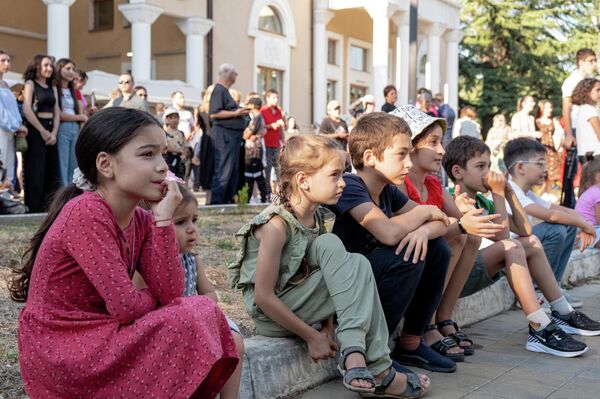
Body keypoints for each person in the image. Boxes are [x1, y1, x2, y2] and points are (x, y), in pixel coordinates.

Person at [10, 107, 239, 398]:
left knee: (200, 312)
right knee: (194, 313)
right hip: (62, 346)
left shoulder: (142, 220)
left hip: (98, 335)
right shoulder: (86, 213)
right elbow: (126, 307)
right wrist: (151, 298)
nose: (162, 168)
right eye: (147, 155)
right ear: (106, 165)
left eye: (163, 156)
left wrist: (164, 220)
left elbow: (171, 293)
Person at [229, 134, 430, 398]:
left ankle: (356, 354)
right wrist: (311, 337)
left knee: (351, 258)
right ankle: (377, 367)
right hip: (273, 316)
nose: (343, 183)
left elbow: (331, 280)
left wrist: (326, 328)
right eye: (335, 175)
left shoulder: (321, 219)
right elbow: (263, 298)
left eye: (343, 173)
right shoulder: (276, 226)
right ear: (303, 180)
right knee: (348, 257)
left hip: (302, 303)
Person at [443, 136, 600, 355]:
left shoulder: (483, 201)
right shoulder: (454, 198)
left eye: (488, 166)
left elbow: (525, 230)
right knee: (512, 246)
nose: (487, 173)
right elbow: (505, 236)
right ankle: (539, 326)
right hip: (453, 278)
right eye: (480, 166)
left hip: (474, 271)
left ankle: (563, 312)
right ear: (458, 172)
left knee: (531, 242)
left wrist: (508, 192)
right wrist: (498, 193)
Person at [329, 112, 456, 373]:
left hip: (369, 280)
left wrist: (421, 232)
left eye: (410, 154)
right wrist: (422, 212)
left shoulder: (387, 190)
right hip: (342, 289)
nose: (408, 164)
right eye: (401, 155)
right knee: (405, 256)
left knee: (436, 249)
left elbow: (442, 222)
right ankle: (374, 351)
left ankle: (410, 342)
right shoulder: (350, 186)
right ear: (370, 158)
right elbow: (387, 232)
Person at [395, 105, 505, 361]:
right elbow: (409, 234)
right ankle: (427, 323)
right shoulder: (400, 184)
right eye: (433, 142)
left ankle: (442, 316)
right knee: (455, 238)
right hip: (405, 263)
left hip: (425, 258)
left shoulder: (433, 183)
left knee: (470, 236)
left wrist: (495, 198)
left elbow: (464, 221)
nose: (442, 151)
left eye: (441, 142)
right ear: (410, 146)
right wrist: (462, 222)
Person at [134, 183, 245, 399]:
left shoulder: (192, 259)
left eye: (195, 220)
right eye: (181, 222)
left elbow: (211, 294)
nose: (192, 229)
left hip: (198, 318)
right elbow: (141, 308)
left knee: (235, 341)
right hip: (168, 328)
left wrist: (200, 305)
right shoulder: (147, 264)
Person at [504, 138, 597, 306]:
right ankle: (536, 291)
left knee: (568, 224)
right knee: (555, 229)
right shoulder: (511, 191)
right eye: (540, 163)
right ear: (520, 167)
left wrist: (583, 222)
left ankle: (552, 286)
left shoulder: (527, 193)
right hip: (507, 253)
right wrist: (586, 225)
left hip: (521, 248)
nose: (545, 169)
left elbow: (561, 210)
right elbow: (551, 216)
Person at [22, 54, 61, 213]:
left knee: (52, 170)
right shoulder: (30, 84)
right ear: (37, 66)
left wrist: (54, 133)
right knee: (35, 170)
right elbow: (26, 109)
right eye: (45, 65)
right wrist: (42, 131)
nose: (49, 68)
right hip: (36, 130)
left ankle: (49, 207)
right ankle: (34, 208)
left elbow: (56, 112)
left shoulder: (52, 87)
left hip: (51, 131)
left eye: (51, 66)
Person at [562, 49, 597, 208]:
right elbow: (566, 108)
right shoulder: (571, 81)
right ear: (581, 62)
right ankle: (571, 206)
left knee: (590, 172)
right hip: (577, 128)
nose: (594, 64)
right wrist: (569, 134)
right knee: (575, 171)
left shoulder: (592, 80)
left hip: (590, 127)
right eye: (591, 61)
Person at [209, 65, 249, 204]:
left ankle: (226, 202)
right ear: (227, 74)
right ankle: (217, 204)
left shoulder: (224, 91)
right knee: (223, 171)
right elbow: (214, 113)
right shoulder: (219, 90)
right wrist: (236, 113)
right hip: (224, 137)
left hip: (232, 138)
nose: (236, 74)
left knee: (231, 171)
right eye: (234, 72)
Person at [55, 58, 88, 187]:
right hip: (63, 128)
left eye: (73, 69)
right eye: (68, 69)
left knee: (74, 165)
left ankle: (72, 194)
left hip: (76, 128)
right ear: (59, 69)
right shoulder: (55, 89)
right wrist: (80, 117)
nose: (71, 72)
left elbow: (81, 113)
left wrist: (81, 119)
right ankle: (63, 196)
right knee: (62, 165)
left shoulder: (74, 91)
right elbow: (60, 114)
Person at [0, 50, 27, 188]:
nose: (7, 63)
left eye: (8, 60)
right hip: (1, 131)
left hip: (10, 131)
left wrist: (18, 125)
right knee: (1, 163)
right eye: (3, 60)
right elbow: (1, 114)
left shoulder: (5, 84)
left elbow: (13, 109)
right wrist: (17, 126)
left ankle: (6, 198)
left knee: (9, 165)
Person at [534, 100, 563, 198]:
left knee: (552, 174)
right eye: (547, 108)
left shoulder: (553, 121)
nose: (549, 110)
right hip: (541, 149)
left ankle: (548, 194)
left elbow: (559, 133)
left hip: (552, 150)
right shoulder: (536, 121)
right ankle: (541, 195)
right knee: (542, 172)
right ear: (541, 108)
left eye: (550, 107)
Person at [243, 97, 268, 203]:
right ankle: (261, 198)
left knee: (254, 175)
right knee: (255, 175)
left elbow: (245, 135)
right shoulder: (259, 117)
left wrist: (247, 133)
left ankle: (261, 198)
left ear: (253, 105)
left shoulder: (257, 118)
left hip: (253, 151)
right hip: (255, 150)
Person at [261, 89, 285, 195]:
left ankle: (280, 193)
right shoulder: (263, 111)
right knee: (267, 169)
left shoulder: (279, 111)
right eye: (274, 97)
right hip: (266, 144)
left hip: (276, 144)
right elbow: (260, 127)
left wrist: (283, 140)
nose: (276, 100)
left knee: (279, 169)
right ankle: (268, 194)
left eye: (277, 98)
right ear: (267, 98)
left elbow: (281, 128)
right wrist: (272, 125)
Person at [572, 78, 600, 162]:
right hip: (595, 154)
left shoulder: (582, 109)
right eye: (597, 90)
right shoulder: (590, 109)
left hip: (584, 153)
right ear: (587, 92)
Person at [575, 158, 600, 249]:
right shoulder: (598, 193)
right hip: (590, 234)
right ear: (598, 176)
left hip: (582, 233)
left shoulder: (592, 190)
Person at [163, 107, 187, 179]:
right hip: (168, 160)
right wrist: (179, 150)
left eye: (176, 117)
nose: (174, 120)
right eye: (171, 118)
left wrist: (185, 153)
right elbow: (166, 147)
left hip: (179, 161)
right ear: (167, 120)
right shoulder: (164, 133)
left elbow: (184, 146)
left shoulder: (181, 133)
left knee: (180, 179)